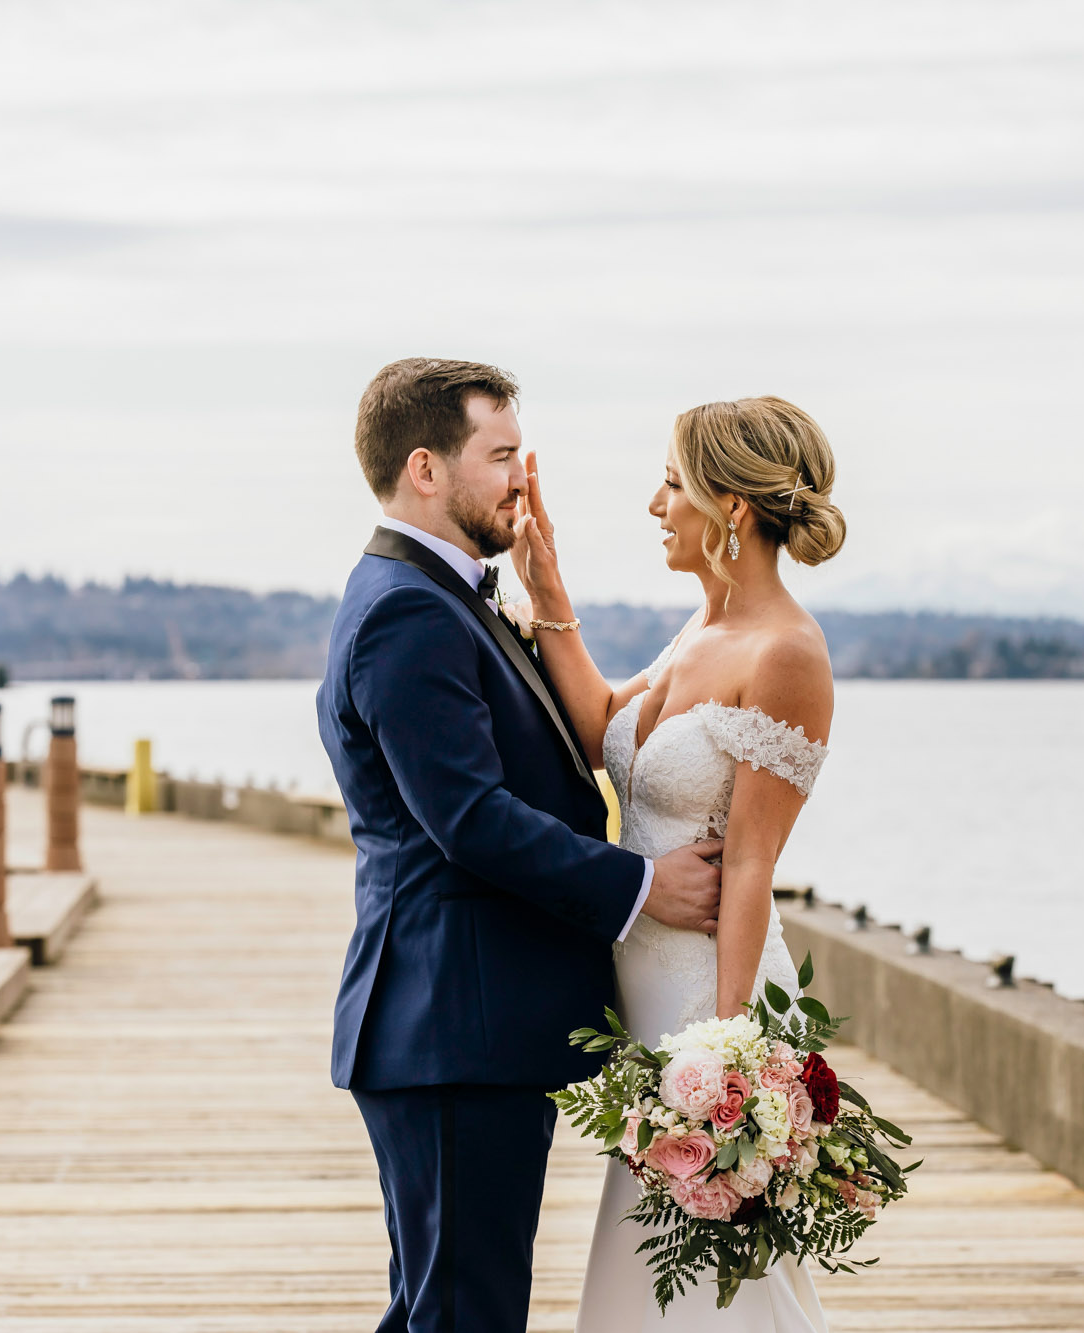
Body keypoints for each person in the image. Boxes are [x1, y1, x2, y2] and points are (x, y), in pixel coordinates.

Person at [316, 357, 729, 1333]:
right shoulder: (407, 614)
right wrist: (639, 887)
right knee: (465, 1313)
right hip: (450, 1026)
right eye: (499, 456)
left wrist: (546, 593)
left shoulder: (436, 591)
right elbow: (469, 819)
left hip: (460, 1026)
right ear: (426, 468)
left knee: (439, 1307)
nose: (521, 477)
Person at [510, 394, 848, 1330]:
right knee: (645, 1255)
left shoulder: (787, 653)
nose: (655, 505)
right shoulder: (701, 629)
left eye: (670, 483)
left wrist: (730, 1063)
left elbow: (749, 866)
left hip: (710, 995)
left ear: (731, 507)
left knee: (722, 1274)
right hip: (643, 989)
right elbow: (602, 731)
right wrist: (549, 596)